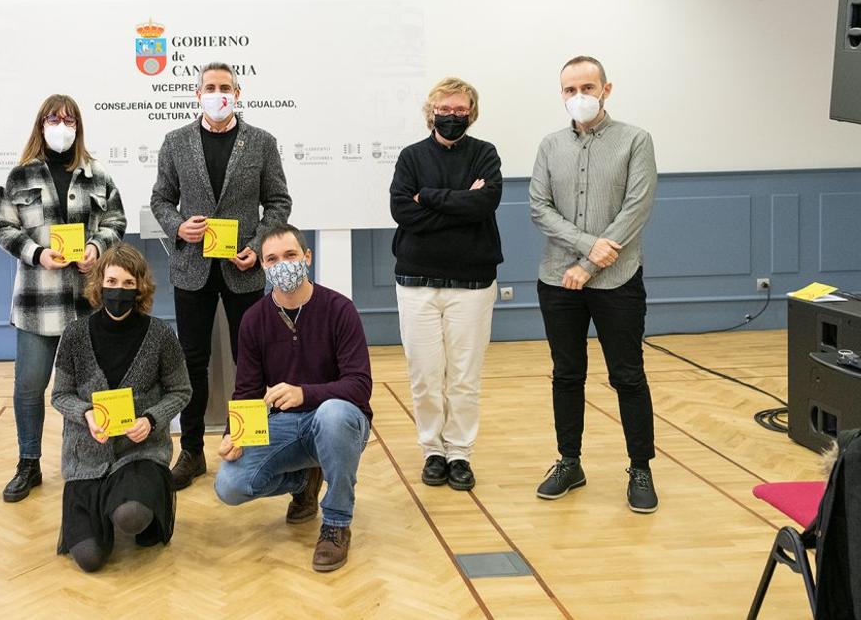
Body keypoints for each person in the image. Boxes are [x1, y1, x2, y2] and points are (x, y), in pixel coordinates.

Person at [150, 62, 292, 490]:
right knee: (191, 362)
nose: (218, 93)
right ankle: (191, 451)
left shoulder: (262, 143)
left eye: (225, 87)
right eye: (210, 87)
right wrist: (177, 226)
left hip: (243, 270)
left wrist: (259, 244)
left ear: (238, 92)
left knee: (250, 360)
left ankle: (251, 444)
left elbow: (278, 202)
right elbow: (160, 199)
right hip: (192, 268)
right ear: (198, 95)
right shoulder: (175, 142)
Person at [529, 55, 659, 513]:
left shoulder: (635, 141)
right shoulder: (549, 146)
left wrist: (592, 263)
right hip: (558, 279)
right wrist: (587, 250)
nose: (578, 96)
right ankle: (570, 461)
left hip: (618, 280)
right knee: (567, 375)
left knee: (627, 375)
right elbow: (539, 208)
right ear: (561, 94)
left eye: (587, 87)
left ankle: (640, 466)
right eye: (569, 90)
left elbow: (636, 207)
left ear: (606, 89)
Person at [214, 225, 373, 573]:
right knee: (228, 485)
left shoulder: (339, 309)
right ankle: (305, 481)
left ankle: (336, 522)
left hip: (340, 423)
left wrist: (305, 393)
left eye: (290, 255)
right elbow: (247, 389)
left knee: (331, 414)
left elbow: (359, 386)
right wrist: (233, 433)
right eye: (272, 259)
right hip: (285, 425)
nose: (282, 265)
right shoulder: (254, 319)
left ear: (307, 258)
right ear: (264, 267)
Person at [0, 94, 127, 503]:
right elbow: (2, 227)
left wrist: (96, 247)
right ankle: (28, 463)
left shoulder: (97, 173)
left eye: (69, 119)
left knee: (95, 387)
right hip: (37, 302)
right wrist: (36, 253)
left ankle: (97, 460)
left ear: (78, 125)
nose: (62, 125)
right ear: (41, 123)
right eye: (54, 118)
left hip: (87, 303)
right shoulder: (20, 176)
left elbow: (116, 220)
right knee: (29, 388)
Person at [389, 77, 502, 491]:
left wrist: (429, 197)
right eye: (445, 109)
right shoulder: (411, 157)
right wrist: (458, 201)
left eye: (460, 110)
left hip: (472, 283)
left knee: (464, 377)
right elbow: (403, 211)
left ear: (470, 112)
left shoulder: (485, 154)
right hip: (416, 282)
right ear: (430, 110)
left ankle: (459, 453)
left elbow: (484, 203)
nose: (452, 116)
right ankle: (432, 450)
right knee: (424, 374)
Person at [50, 243, 192, 573]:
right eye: (112, 282)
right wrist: (85, 413)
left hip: (139, 451)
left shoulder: (160, 334)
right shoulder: (74, 334)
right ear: (98, 284)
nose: (119, 291)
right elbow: (60, 395)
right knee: (89, 559)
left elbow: (181, 390)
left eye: (129, 284)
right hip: (87, 455)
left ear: (140, 287)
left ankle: (135, 509)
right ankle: (102, 510)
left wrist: (151, 419)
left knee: (131, 517)